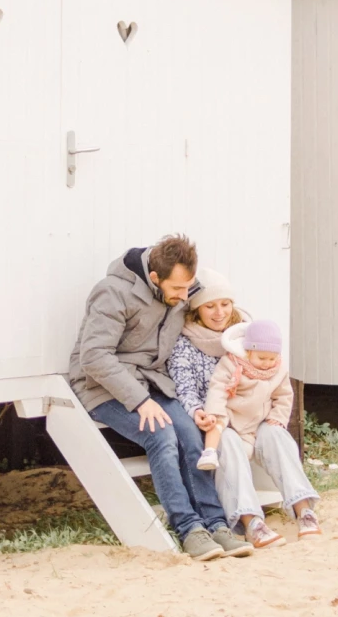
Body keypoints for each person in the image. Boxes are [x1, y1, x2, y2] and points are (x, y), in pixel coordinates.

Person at [68, 234, 251, 561]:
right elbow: (94, 357)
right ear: (155, 278)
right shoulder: (113, 292)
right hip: (102, 387)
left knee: (190, 435)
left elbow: (216, 318)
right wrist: (139, 400)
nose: (186, 297)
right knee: (162, 436)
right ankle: (189, 528)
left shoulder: (180, 290)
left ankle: (216, 523)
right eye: (178, 290)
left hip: (154, 382)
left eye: (189, 287)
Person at [203, 312, 321, 547]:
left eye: (271, 358)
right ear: (248, 351)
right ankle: (251, 521)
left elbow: (284, 396)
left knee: (277, 435)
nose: (267, 363)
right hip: (232, 424)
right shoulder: (231, 365)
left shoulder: (277, 368)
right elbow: (217, 392)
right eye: (261, 358)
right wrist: (216, 418)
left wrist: (277, 419)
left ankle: (303, 509)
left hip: (259, 424)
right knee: (228, 443)